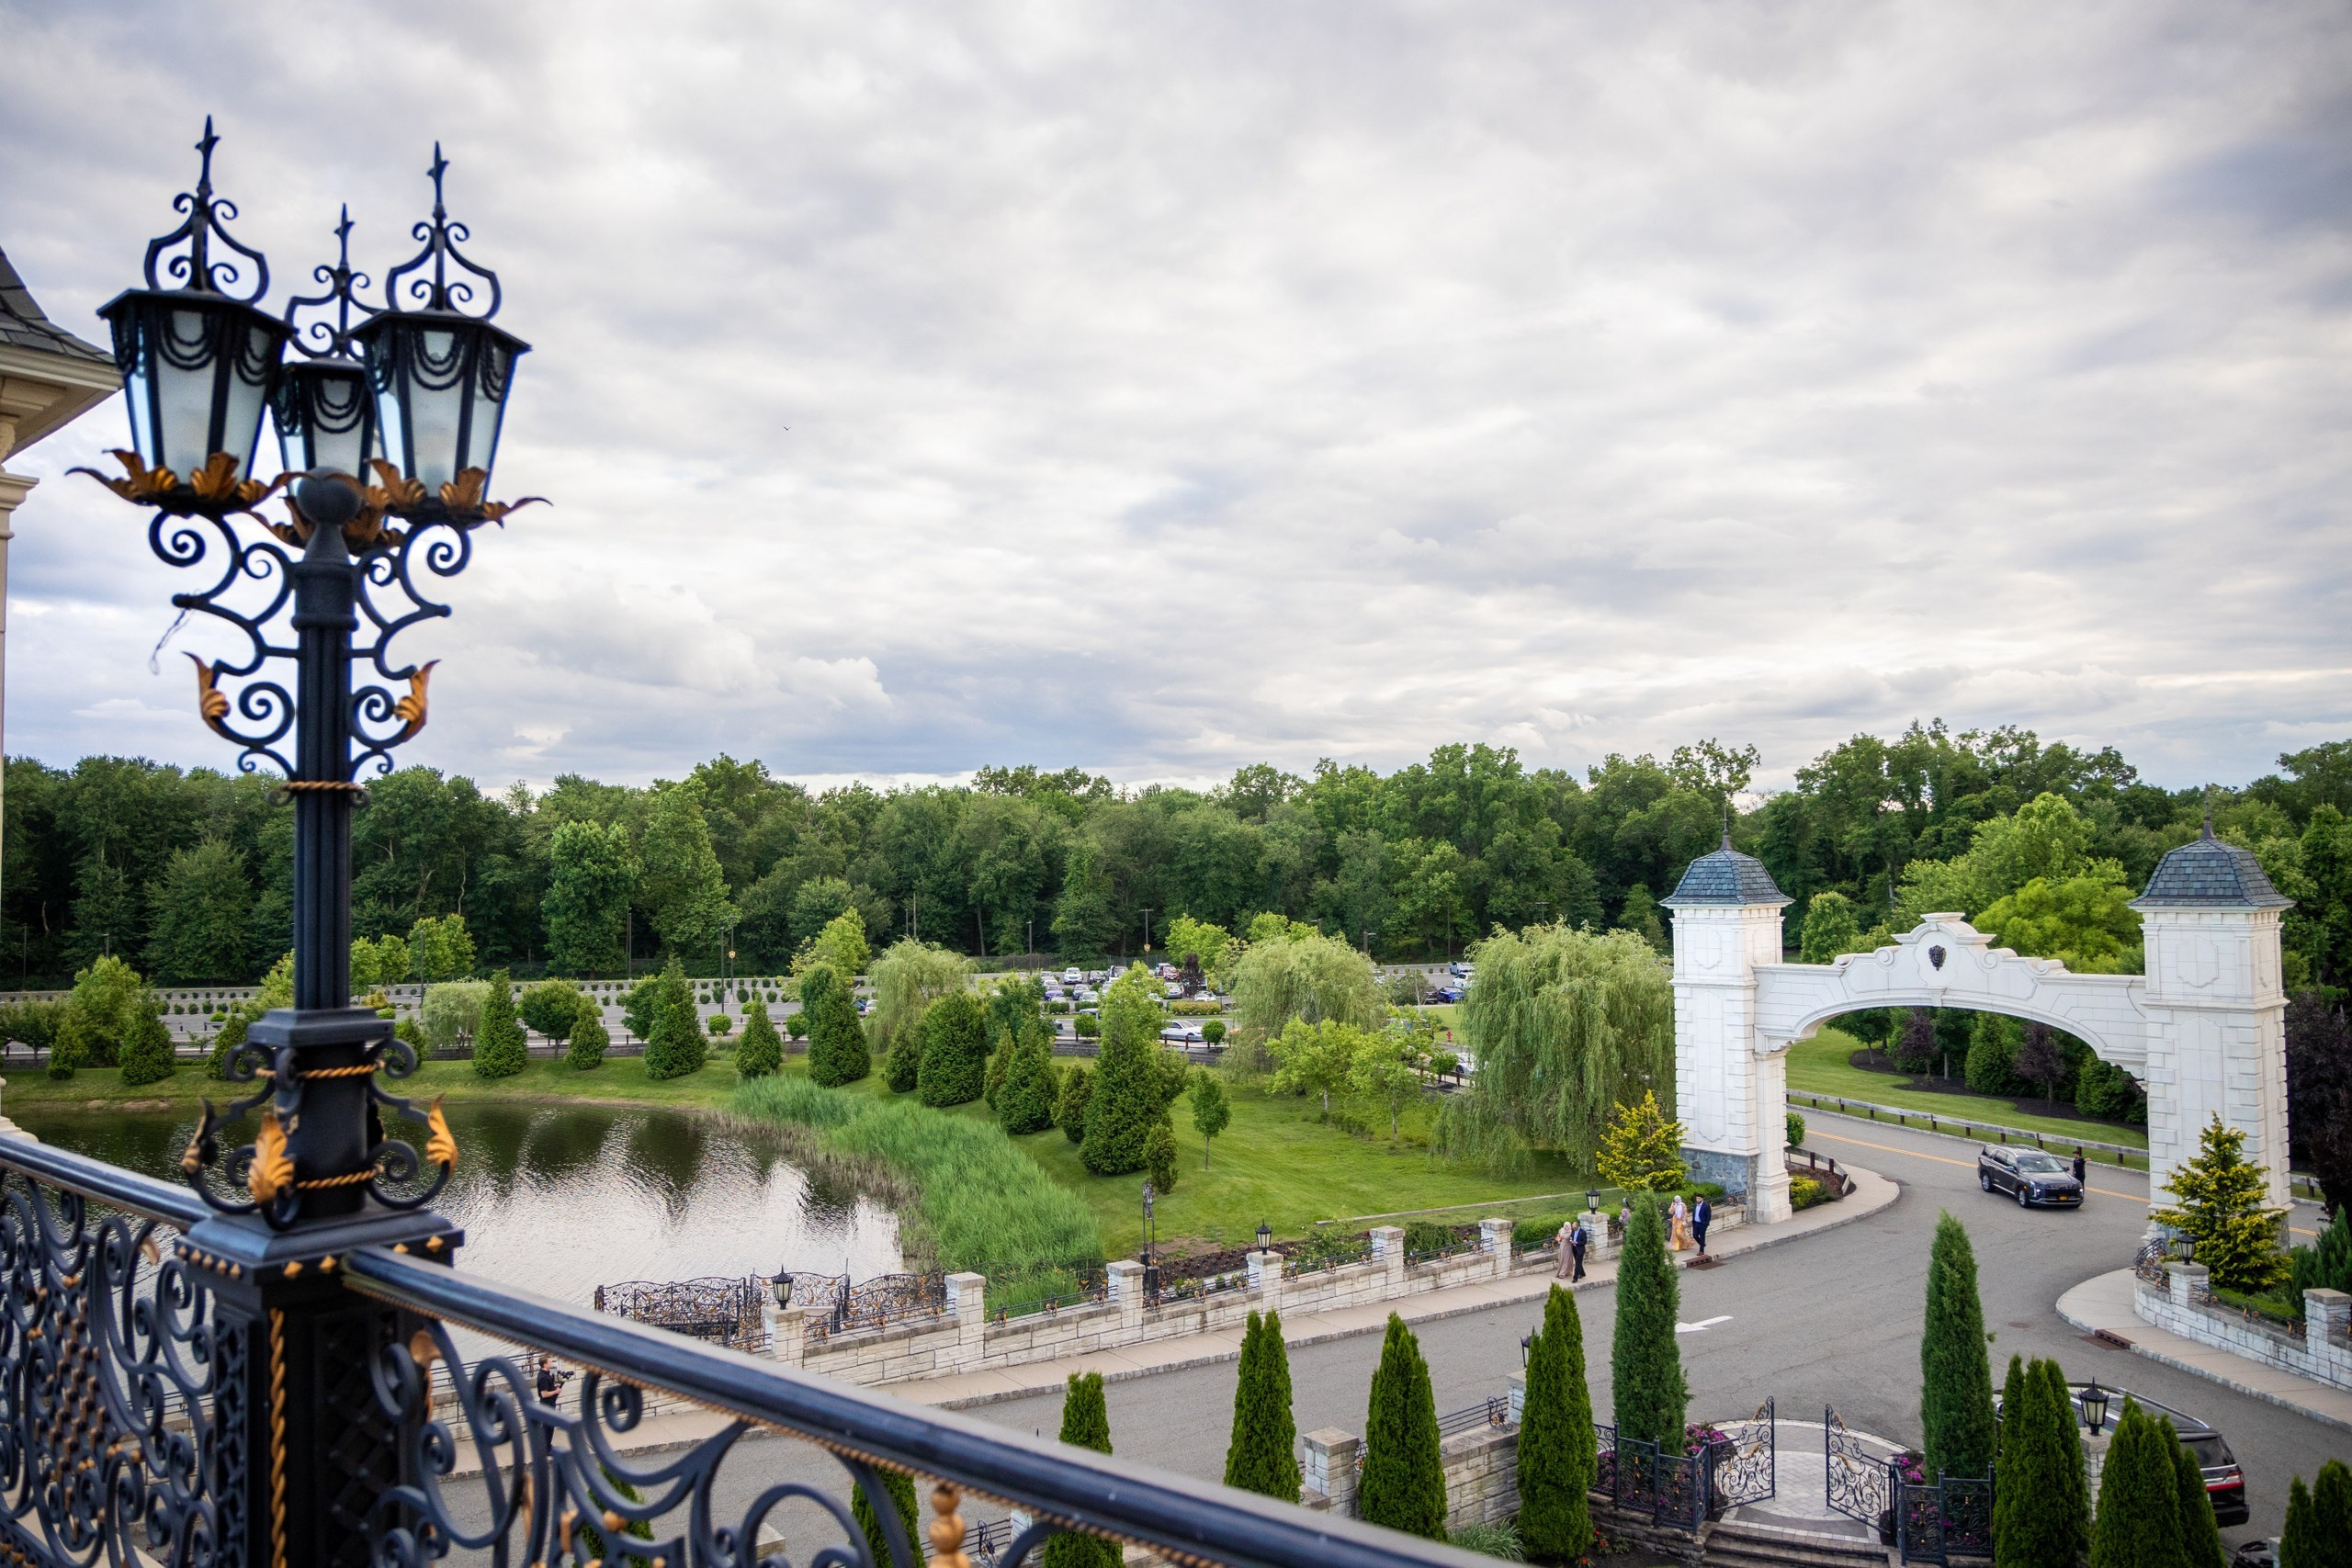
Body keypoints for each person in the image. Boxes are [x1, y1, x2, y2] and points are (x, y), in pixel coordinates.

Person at [1692, 1193, 1712, 1258]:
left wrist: (1706, 1223)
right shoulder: (1695, 1205)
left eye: (1699, 1198)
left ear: (1702, 1199)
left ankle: (1701, 1251)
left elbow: (1708, 1215)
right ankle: (1702, 1244)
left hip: (1702, 1224)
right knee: (1695, 1235)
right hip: (1695, 1223)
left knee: (1702, 1236)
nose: (1698, 1200)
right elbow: (1694, 1213)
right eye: (1697, 1198)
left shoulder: (1706, 1206)